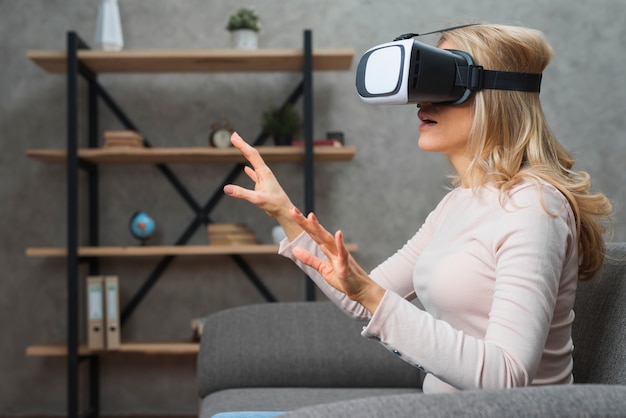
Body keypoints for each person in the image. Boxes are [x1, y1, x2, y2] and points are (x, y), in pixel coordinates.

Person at [222, 23, 612, 394]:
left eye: (442, 83)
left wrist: (373, 297)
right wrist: (282, 211)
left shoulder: (533, 207)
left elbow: (506, 375)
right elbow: (361, 297)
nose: (422, 101)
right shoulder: (460, 202)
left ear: (496, 96)